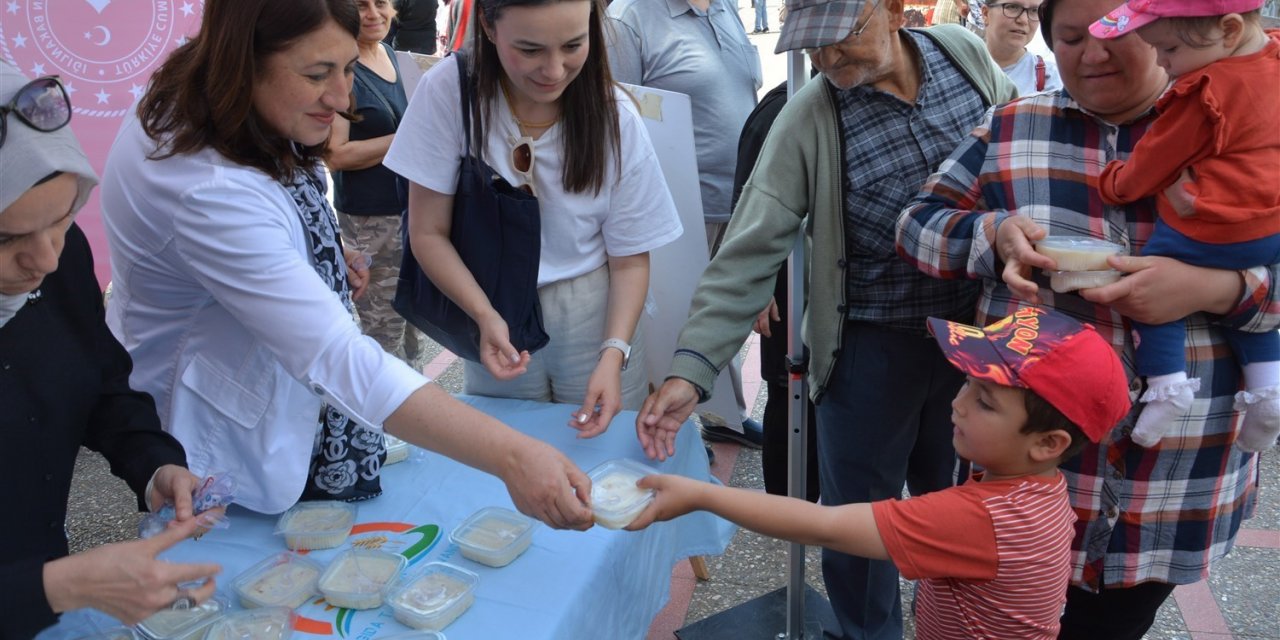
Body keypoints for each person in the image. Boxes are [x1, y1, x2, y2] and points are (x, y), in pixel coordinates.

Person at [101, 0, 594, 530]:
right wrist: (513, 457)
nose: (342, 100)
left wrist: (325, 251)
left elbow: (277, 207)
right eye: (318, 75)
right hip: (215, 434)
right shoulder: (206, 189)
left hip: (270, 397)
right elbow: (336, 355)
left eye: (348, 68)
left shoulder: (225, 98)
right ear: (242, 61)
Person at [634, 0, 1017, 636]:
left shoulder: (961, 54)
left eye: (843, 38)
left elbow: (1018, 143)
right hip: (871, 350)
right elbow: (746, 255)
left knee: (956, 502)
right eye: (814, 46)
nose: (828, 60)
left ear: (896, 11)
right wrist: (689, 372)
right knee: (861, 523)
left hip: (971, 342)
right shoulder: (810, 116)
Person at [894, 0, 1274, 634]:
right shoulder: (1011, 129)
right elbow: (916, 226)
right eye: (1070, 38)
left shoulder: (1242, 118)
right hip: (1038, 472)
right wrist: (994, 237)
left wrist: (1212, 288)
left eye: (1111, 35)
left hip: (1176, 477)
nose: (1092, 54)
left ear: (1156, 35)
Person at [629, 306, 1132, 640]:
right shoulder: (1041, 488)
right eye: (965, 383)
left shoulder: (980, 518)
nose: (955, 403)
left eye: (984, 401)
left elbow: (823, 524)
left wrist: (699, 494)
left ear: (1048, 443)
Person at [387, 0, 682, 437]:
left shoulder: (614, 113)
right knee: (508, 460)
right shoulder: (449, 90)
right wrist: (484, 315)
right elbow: (428, 232)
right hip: (489, 301)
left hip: (594, 310)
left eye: (573, 45)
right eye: (529, 49)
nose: (554, 70)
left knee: (604, 460)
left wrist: (613, 352)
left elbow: (629, 257)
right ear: (487, 24)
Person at [0, 62, 221, 634]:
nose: (45, 260)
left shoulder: (56, 261)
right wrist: (63, 584)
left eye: (64, 218)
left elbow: (99, 379)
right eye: (6, 238)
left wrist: (156, 464)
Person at [1088, 0, 1279, 450]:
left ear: (1229, 30)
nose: (1161, 61)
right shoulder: (1271, 59)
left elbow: (1153, 160)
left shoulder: (1204, 93)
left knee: (1149, 285)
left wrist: (1114, 184)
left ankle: (1168, 386)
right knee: (1248, 319)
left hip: (1211, 225)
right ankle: (1268, 388)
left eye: (1169, 48)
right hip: (1268, 229)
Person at [606, 0, 766, 449]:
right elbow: (614, 117)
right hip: (674, 208)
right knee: (666, 321)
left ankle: (720, 414)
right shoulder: (630, 18)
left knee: (717, 313)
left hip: (736, 201)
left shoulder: (724, 8)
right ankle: (662, 427)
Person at [327, 0, 426, 369]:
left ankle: (416, 409)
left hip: (412, 214)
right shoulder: (341, 65)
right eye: (361, 5)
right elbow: (334, 154)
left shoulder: (393, 56)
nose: (373, 14)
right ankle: (382, 420)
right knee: (383, 333)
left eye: (381, 3)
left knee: (416, 319)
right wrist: (406, 137)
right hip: (370, 223)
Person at [983, 0, 1062, 93]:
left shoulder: (1051, 79)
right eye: (1012, 7)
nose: (1023, 20)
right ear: (986, 14)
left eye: (1034, 10)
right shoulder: (964, 68)